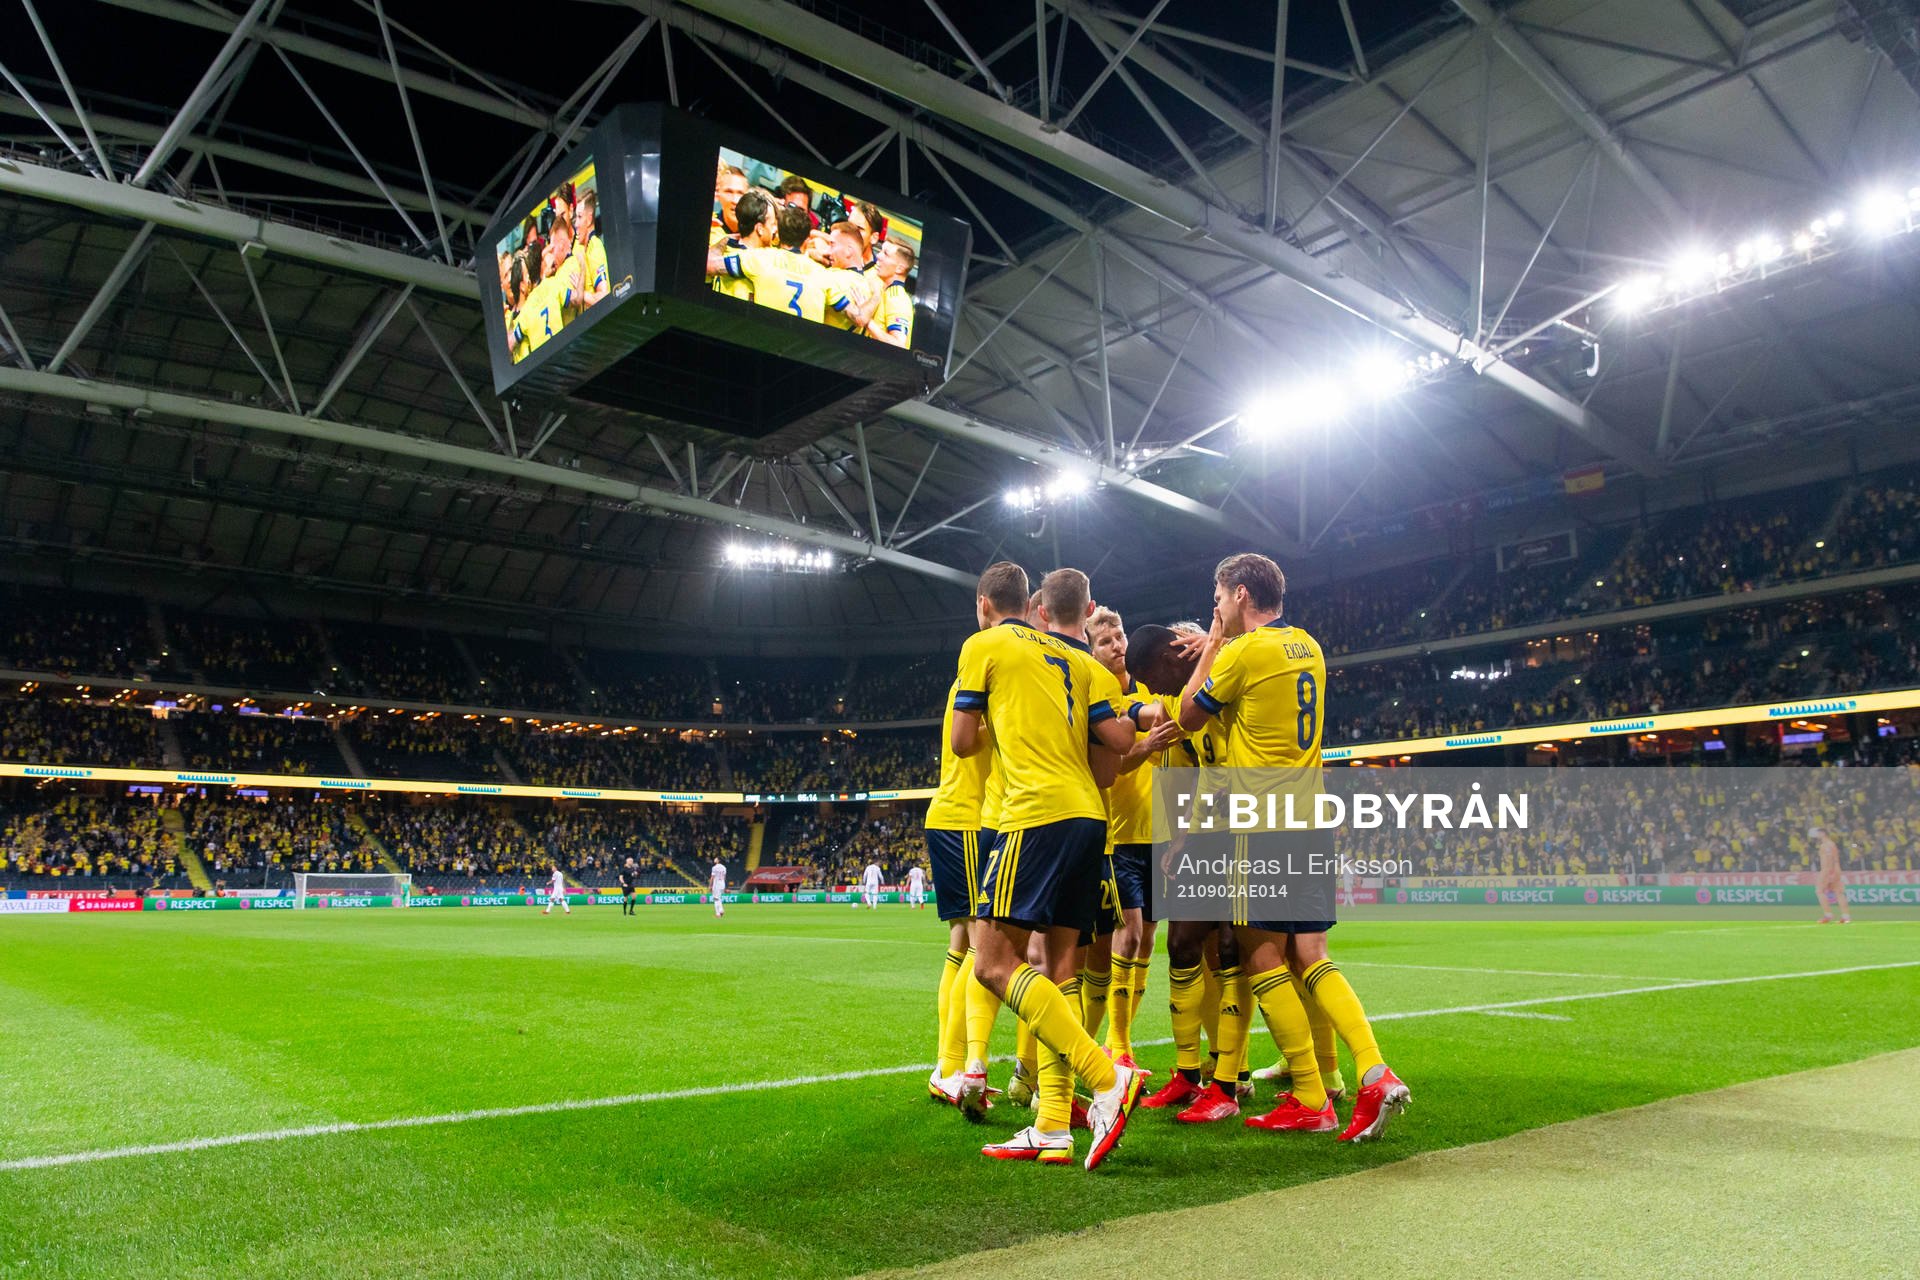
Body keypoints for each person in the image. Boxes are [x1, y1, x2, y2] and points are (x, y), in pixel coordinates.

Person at [1174, 553, 1408, 1143]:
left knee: (1261, 956)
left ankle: (1309, 1095)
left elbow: (1188, 715)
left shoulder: (1242, 652)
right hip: (1311, 814)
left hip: (1261, 821)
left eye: (1219, 597)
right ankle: (1373, 1070)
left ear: (1241, 594)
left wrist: (1215, 643)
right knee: (1312, 954)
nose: (1216, 608)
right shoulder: (1309, 647)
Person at [954, 562, 1145, 1170]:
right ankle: (1053, 1124)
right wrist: (1144, 717)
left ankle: (1106, 1078)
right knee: (1060, 970)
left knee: (991, 962)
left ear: (986, 605)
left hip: (1032, 814)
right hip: (1090, 821)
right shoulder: (1083, 664)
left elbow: (961, 742)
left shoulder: (986, 646)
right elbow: (1118, 749)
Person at [865, 241, 916, 347]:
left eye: (886, 254)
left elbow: (898, 345)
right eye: (880, 251)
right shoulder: (884, 290)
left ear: (899, 268)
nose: (878, 256)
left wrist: (867, 321)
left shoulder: (898, 299)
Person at [1814, 826, 1851, 923]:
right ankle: (1846, 916)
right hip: (1835, 869)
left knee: (1819, 891)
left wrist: (1830, 873)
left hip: (1828, 870)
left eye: (1818, 833)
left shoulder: (1826, 845)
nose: (1817, 835)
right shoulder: (1832, 844)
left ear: (1823, 833)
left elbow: (1829, 859)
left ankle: (1828, 914)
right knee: (1839, 892)